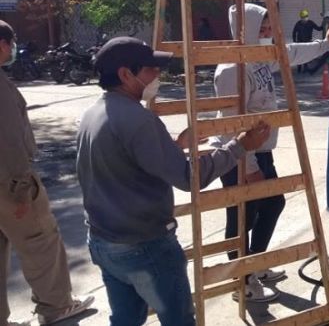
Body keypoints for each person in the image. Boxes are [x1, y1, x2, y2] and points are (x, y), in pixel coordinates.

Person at [76, 37, 271, 326]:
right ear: (125, 74)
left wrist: (173, 145)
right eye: (150, 69)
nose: (157, 75)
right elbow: (190, 177)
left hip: (104, 241)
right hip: (144, 246)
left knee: (126, 320)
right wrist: (240, 145)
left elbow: (125, 159)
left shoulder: (93, 114)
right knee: (179, 319)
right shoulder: (139, 119)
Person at [210, 3, 329, 303]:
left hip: (261, 150)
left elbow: (290, 53)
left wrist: (325, 45)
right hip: (237, 155)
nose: (267, 33)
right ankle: (243, 280)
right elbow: (230, 124)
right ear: (245, 29)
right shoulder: (231, 69)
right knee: (241, 217)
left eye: (268, 28)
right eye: (262, 28)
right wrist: (249, 164)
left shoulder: (260, 58)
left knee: (273, 204)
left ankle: (256, 263)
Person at [0, 20, 94, 326]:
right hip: (9, 184)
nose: (12, 48)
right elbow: (11, 140)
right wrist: (21, 189)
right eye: (10, 42)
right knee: (41, 241)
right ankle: (56, 307)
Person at [292, 9, 322, 74]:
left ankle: (305, 69)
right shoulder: (298, 24)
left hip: (308, 43)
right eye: (303, 17)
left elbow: (319, 28)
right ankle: (299, 69)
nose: (305, 19)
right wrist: (295, 42)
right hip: (300, 43)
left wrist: (324, 22)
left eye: (306, 17)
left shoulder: (310, 23)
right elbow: (294, 33)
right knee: (299, 56)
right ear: (301, 18)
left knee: (306, 56)